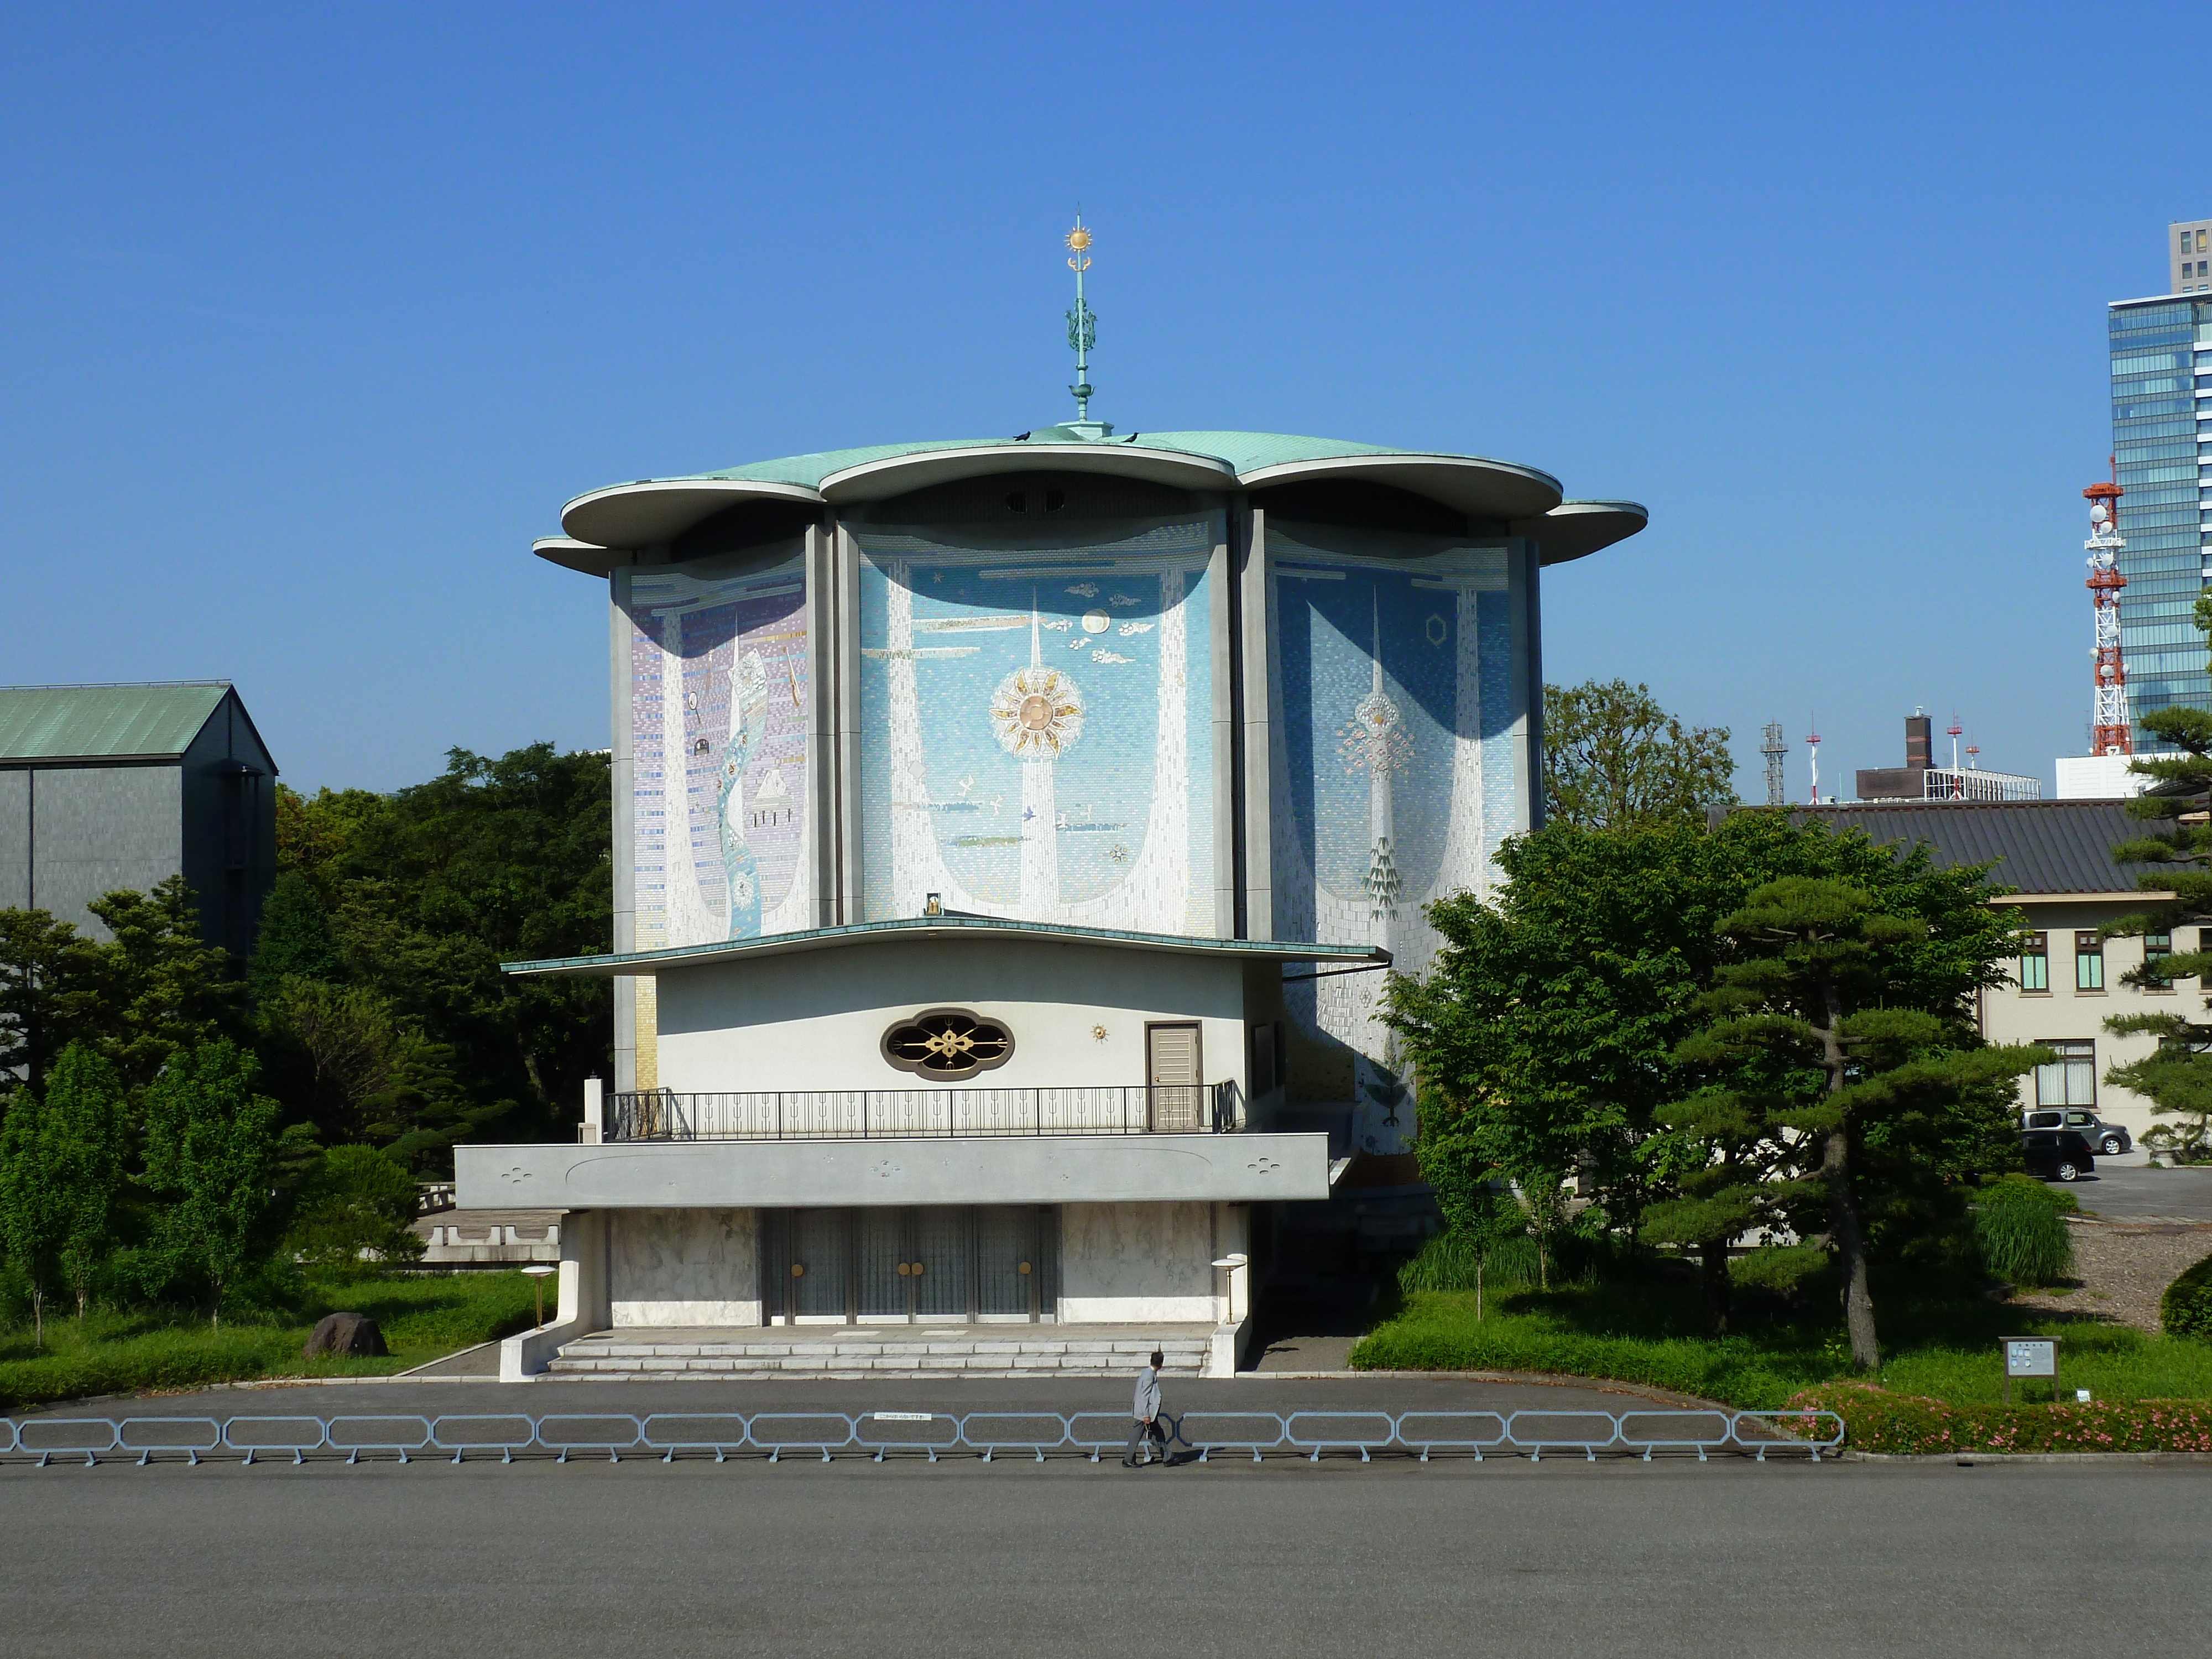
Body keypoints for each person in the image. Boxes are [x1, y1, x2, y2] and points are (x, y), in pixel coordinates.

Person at [1123, 1349, 1168, 1468]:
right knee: (1137, 1436)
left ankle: (1168, 1457)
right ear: (1161, 1364)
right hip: (1145, 1414)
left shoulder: (1147, 1372)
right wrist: (1146, 1415)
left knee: (1157, 1434)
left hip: (1145, 1412)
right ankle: (1128, 1459)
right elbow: (1144, 1397)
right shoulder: (1149, 1376)